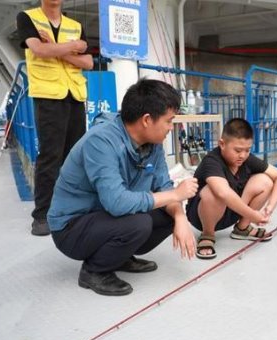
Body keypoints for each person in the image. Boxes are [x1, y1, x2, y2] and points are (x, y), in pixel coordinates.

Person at [48, 80, 199, 296]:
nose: (170, 127)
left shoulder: (153, 144)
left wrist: (181, 217)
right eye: (169, 121)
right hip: (71, 227)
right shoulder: (101, 141)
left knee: (169, 214)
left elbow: (164, 185)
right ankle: (94, 271)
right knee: (139, 222)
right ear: (147, 120)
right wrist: (176, 194)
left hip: (104, 217)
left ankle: (120, 256)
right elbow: (116, 203)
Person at [17, 0, 93, 236]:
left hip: (75, 95)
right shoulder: (27, 17)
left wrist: (57, 48)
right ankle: (42, 215)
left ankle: (73, 208)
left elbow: (88, 62)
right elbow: (38, 50)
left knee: (75, 155)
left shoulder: (75, 24)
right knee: (50, 155)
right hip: (49, 95)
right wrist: (73, 47)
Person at [186, 118, 277, 260]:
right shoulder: (211, 161)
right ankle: (207, 235)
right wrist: (254, 215)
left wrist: (270, 207)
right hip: (202, 216)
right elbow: (223, 193)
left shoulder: (246, 158)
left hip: (231, 211)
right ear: (222, 144)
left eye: (247, 150)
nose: (243, 155)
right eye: (238, 150)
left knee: (265, 181)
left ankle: (242, 228)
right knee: (213, 192)